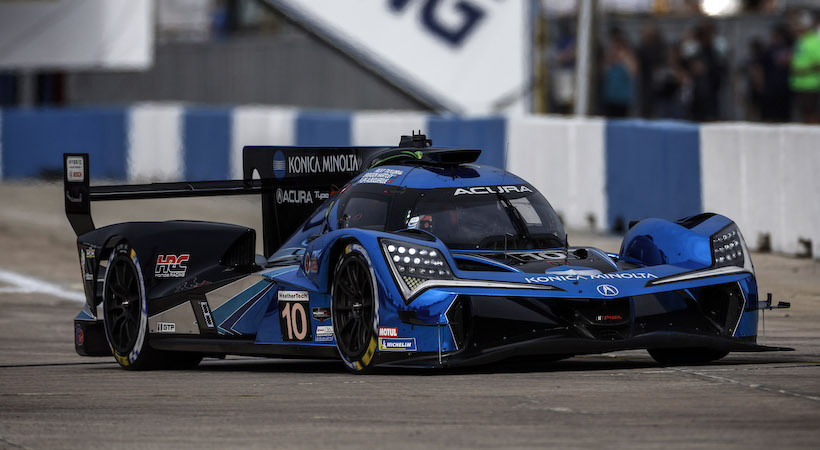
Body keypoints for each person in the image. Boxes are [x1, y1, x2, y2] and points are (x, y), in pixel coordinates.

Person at [790, 10, 820, 123]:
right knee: (804, 114)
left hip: (810, 85)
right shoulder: (800, 40)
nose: (797, 27)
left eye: (799, 24)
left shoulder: (814, 41)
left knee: (811, 114)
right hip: (799, 84)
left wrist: (804, 71)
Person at [601, 27, 637, 118]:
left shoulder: (629, 58)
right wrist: (611, 59)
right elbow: (603, 72)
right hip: (610, 97)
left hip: (623, 99)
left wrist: (623, 58)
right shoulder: (610, 58)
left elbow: (633, 72)